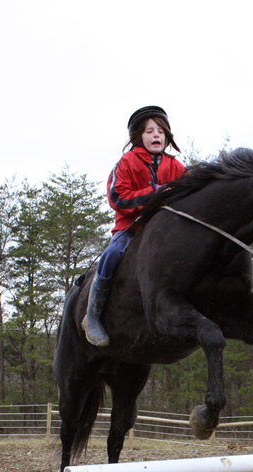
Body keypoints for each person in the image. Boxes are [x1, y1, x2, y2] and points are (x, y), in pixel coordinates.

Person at [82, 105, 185, 346]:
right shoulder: (126, 162)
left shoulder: (176, 167)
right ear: (139, 135)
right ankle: (92, 316)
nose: (156, 135)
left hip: (165, 234)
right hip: (130, 231)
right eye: (149, 131)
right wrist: (154, 194)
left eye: (160, 130)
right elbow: (118, 198)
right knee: (112, 254)